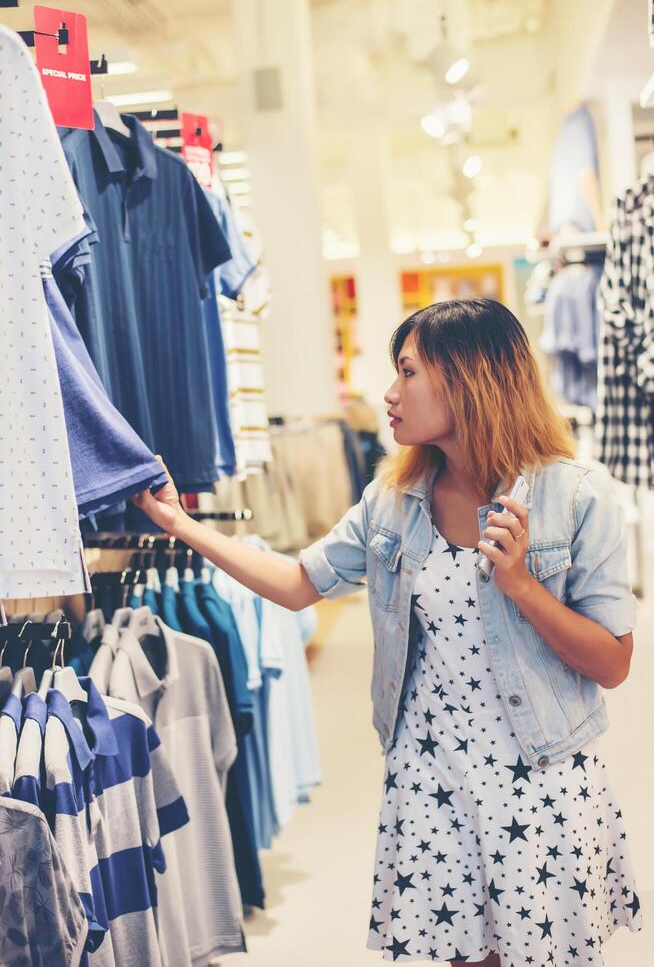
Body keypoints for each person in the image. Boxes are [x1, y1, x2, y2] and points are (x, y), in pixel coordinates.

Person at [133, 298, 642, 966]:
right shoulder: (392, 503)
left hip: (537, 773)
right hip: (431, 775)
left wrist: (521, 585)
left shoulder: (577, 498)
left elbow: (612, 664)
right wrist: (182, 526)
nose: (388, 393)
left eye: (407, 372)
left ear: (468, 378)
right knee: (462, 955)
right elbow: (295, 583)